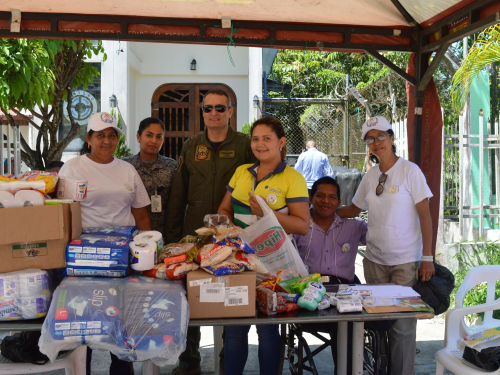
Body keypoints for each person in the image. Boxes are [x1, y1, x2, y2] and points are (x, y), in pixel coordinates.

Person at [165, 89, 255, 375]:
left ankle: (228, 361)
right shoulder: (191, 146)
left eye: (220, 108)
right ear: (201, 112)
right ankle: (189, 360)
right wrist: (172, 237)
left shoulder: (244, 145)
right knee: (188, 297)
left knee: (232, 294)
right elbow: (178, 193)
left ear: (231, 111)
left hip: (232, 235)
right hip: (194, 234)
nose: (213, 113)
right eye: (207, 109)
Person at [337, 115, 435, 375]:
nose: (376, 142)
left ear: (392, 138)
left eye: (381, 136)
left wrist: (428, 258)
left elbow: (425, 215)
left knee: (402, 328)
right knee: (380, 324)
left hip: (405, 262)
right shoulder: (370, 176)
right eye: (370, 138)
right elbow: (353, 209)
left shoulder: (410, 171)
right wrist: (318, 210)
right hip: (374, 262)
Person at [59, 112, 151, 375]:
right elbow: (63, 214)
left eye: (112, 135)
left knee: (121, 320)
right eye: (100, 135)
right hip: (84, 257)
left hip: (121, 257)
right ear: (89, 138)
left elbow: (141, 214)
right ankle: (81, 370)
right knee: (83, 320)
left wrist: (146, 253)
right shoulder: (73, 168)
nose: (107, 141)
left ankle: (122, 370)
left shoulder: (126, 169)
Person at [217, 116, 310, 375]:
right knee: (235, 330)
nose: (260, 144)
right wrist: (225, 226)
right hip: (238, 262)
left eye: (266, 138)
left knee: (268, 331)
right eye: (255, 139)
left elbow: (302, 225)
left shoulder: (293, 178)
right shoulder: (241, 172)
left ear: (281, 142)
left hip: (273, 266)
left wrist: (267, 212)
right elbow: (225, 208)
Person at [292, 176, 367, 375]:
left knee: (348, 323)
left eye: (332, 197)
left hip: (343, 291)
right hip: (308, 294)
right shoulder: (298, 226)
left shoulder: (353, 227)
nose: (326, 201)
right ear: (310, 198)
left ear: (339, 202)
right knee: (341, 323)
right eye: (320, 196)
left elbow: (383, 234)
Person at [123, 117, 176, 238]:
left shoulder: (171, 166)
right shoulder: (125, 166)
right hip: (131, 232)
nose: (154, 141)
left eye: (159, 137)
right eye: (149, 135)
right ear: (138, 137)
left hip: (164, 233)